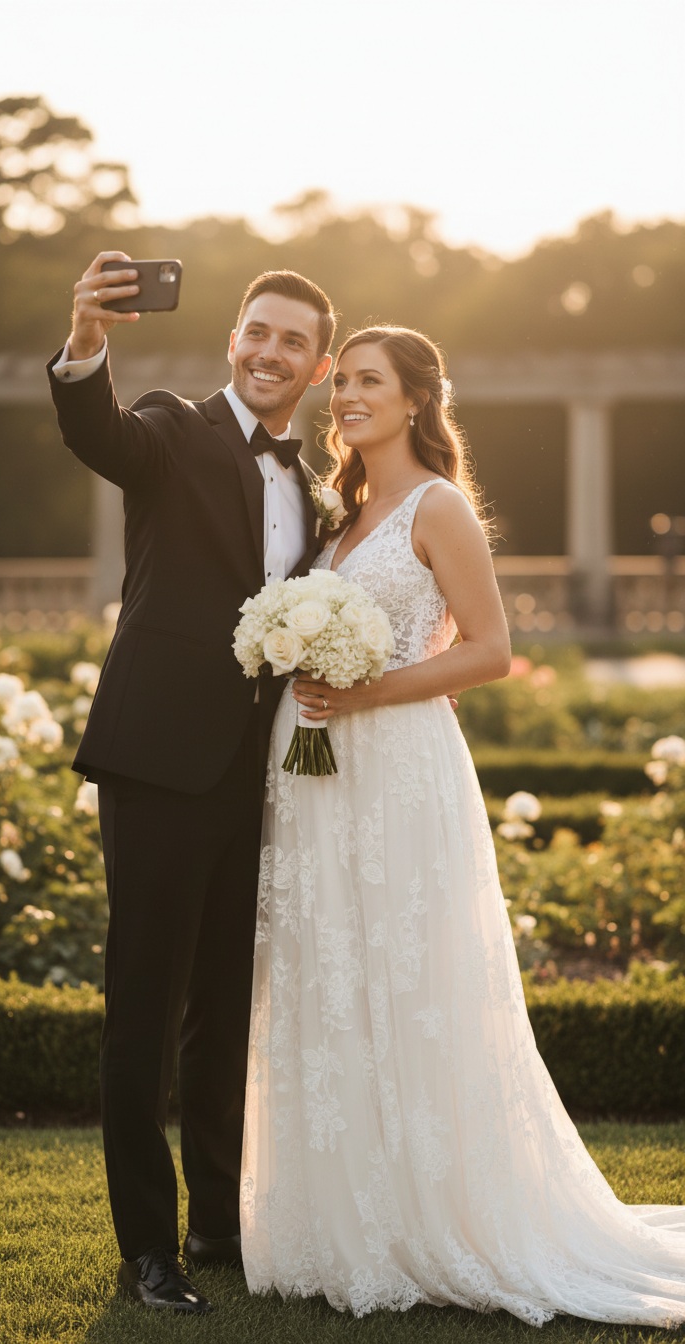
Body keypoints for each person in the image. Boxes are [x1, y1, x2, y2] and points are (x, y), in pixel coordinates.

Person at [241, 326, 685, 1326]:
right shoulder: (340, 512)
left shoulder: (438, 506)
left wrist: (366, 692)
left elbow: (489, 650)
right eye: (343, 383)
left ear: (416, 401)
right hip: (314, 773)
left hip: (396, 765)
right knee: (329, 973)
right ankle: (339, 1222)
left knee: (410, 977)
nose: (348, 397)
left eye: (370, 382)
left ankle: (433, 1218)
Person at [47, 254, 336, 1313]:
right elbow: (100, 435)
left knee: (224, 1005)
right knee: (145, 1005)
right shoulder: (172, 426)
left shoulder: (315, 489)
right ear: (232, 340)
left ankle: (217, 1221)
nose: (269, 352)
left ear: (318, 366)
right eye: (257, 331)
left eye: (292, 341)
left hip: (253, 776)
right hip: (156, 761)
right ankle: (148, 1252)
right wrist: (86, 343)